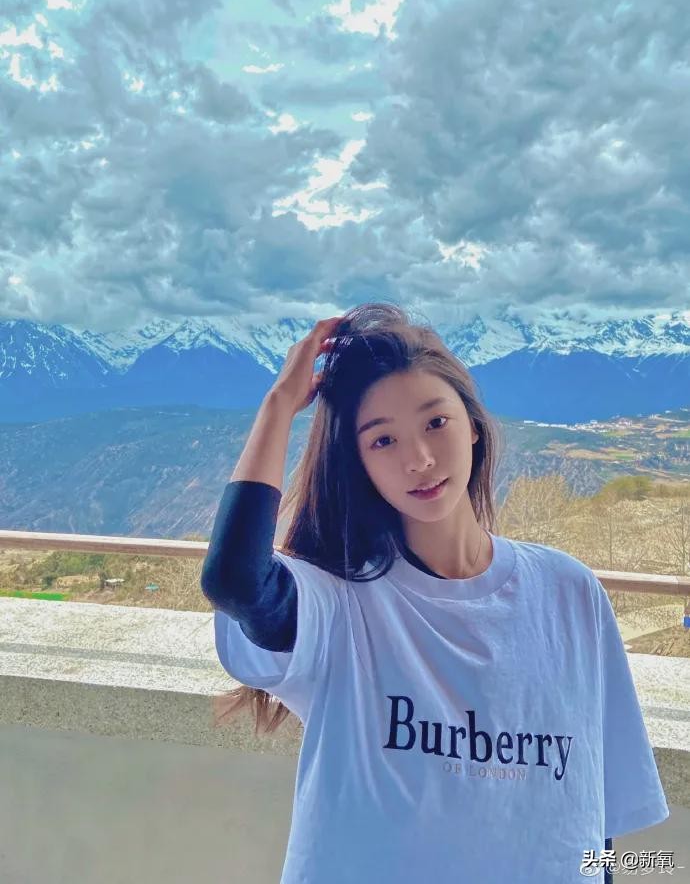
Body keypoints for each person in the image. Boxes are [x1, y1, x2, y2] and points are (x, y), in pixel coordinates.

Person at [200, 302, 668, 884]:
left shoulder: (570, 593)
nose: (418, 459)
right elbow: (236, 580)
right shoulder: (340, 605)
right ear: (359, 465)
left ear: (474, 425)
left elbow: (593, 813)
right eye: (382, 441)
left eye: (435, 423)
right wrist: (278, 406)